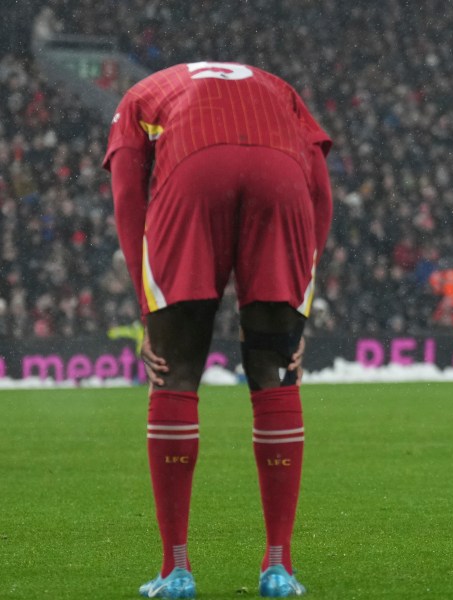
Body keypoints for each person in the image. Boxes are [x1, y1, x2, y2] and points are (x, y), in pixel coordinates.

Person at [103, 61, 333, 597]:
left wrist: (148, 307)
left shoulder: (140, 97)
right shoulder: (279, 86)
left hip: (192, 172)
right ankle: (279, 567)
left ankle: (175, 570)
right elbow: (319, 187)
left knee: (175, 371)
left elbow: (127, 197)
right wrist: (299, 297)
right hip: (283, 178)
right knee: (275, 372)